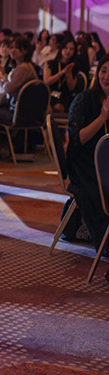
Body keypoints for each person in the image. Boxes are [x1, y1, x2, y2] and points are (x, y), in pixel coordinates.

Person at [67, 55, 109, 255]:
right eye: (103, 71)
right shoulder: (83, 100)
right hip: (85, 165)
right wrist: (103, 117)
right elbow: (77, 139)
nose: (106, 77)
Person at [0, 36, 39, 131]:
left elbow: (9, 90)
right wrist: (0, 77)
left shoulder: (23, 68)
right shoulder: (22, 66)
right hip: (25, 110)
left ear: (25, 51)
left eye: (17, 48)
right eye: (11, 47)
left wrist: (0, 77)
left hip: (22, 113)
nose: (12, 50)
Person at [44, 38, 86, 113]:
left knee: (58, 107)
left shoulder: (74, 66)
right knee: (47, 109)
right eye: (65, 48)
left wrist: (69, 73)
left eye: (71, 49)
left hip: (65, 96)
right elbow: (47, 81)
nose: (68, 51)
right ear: (61, 48)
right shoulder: (50, 63)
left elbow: (71, 88)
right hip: (49, 93)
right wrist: (62, 72)